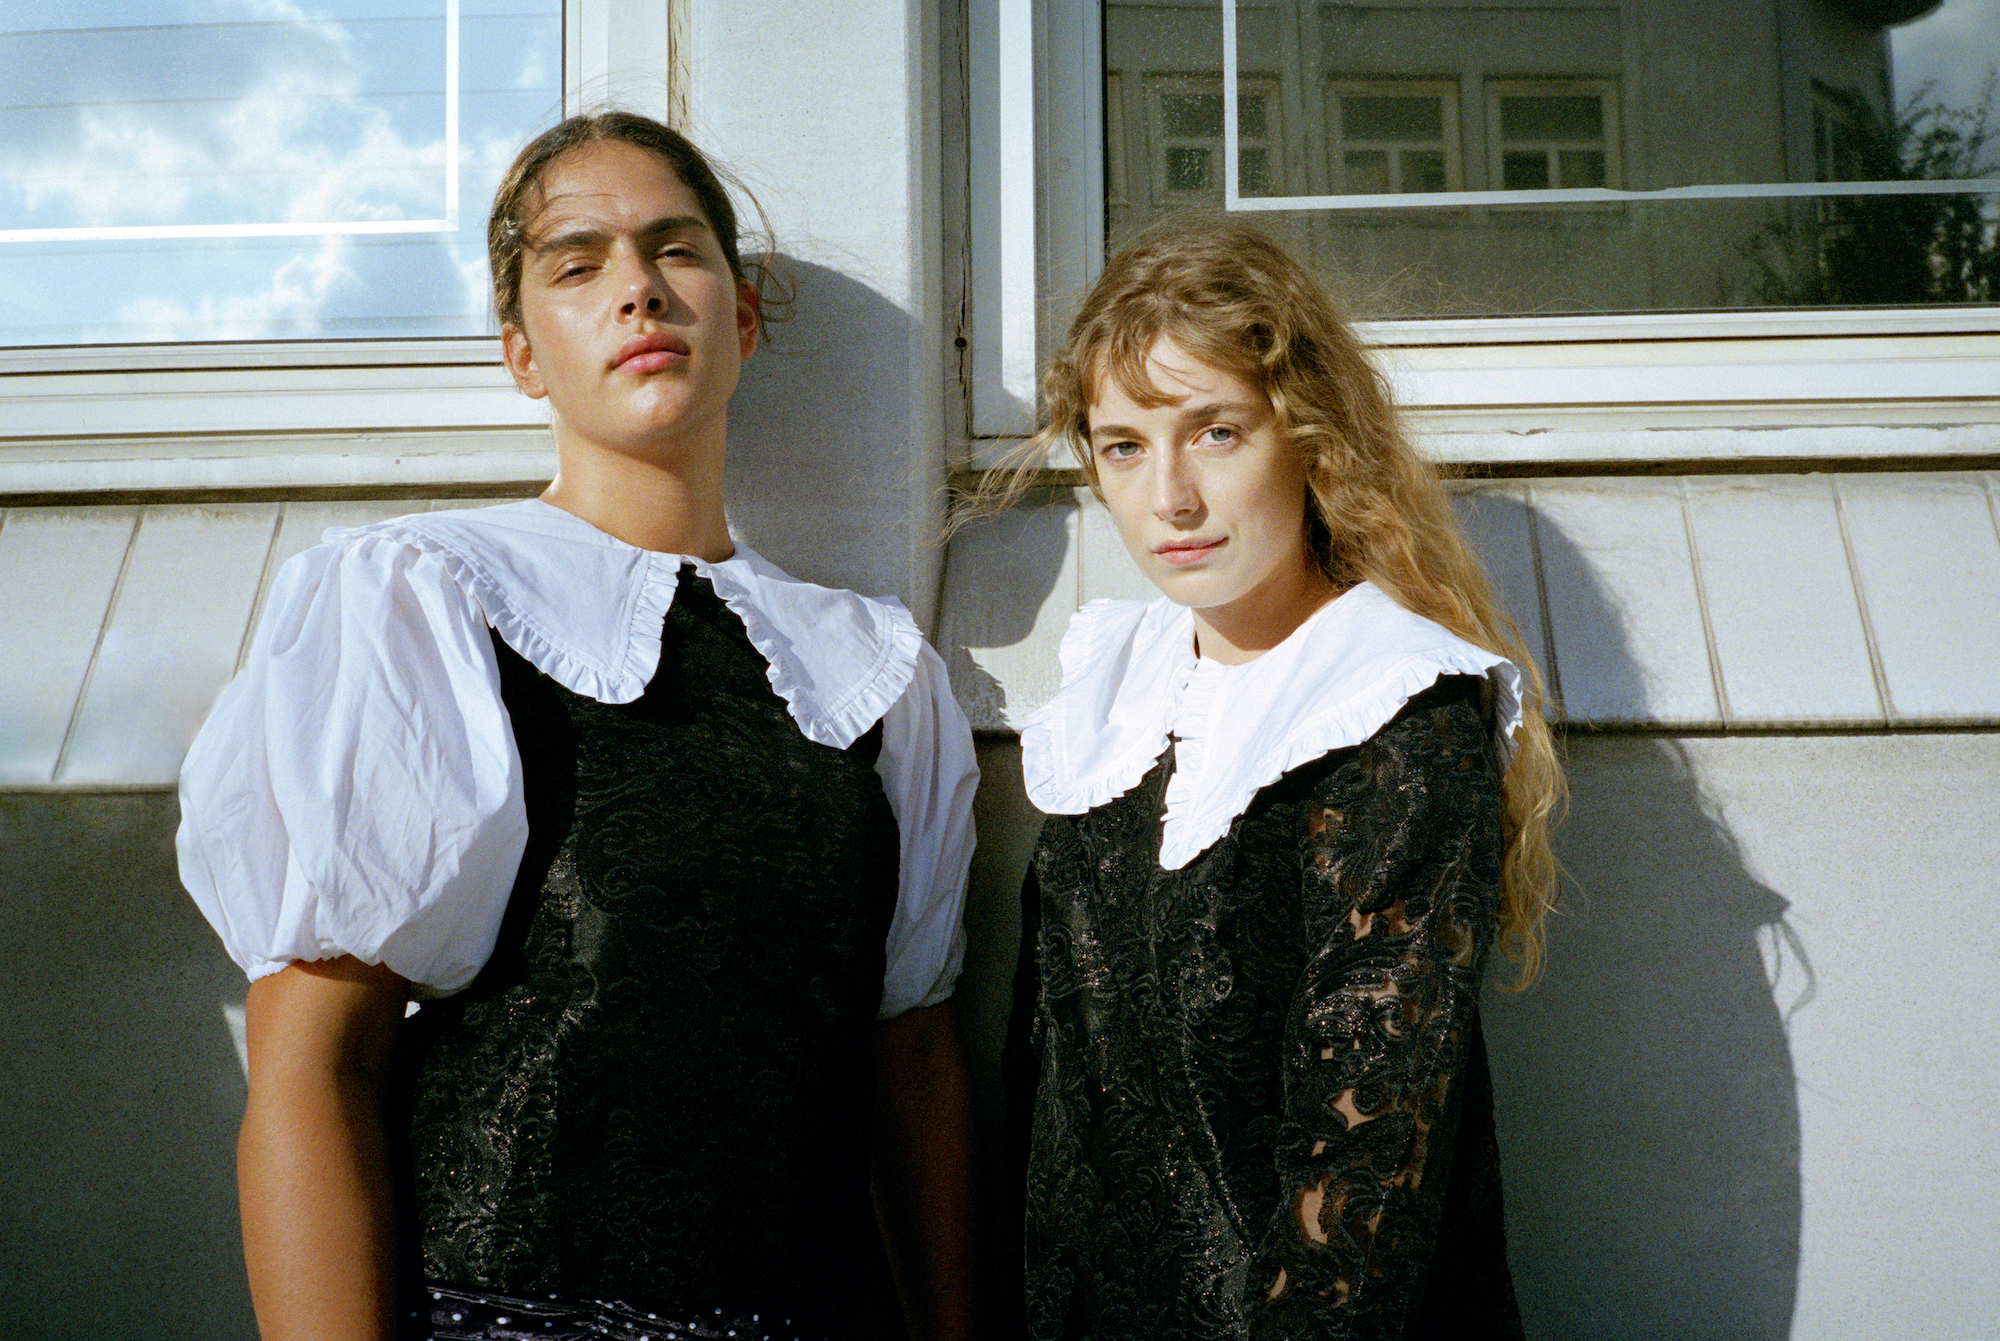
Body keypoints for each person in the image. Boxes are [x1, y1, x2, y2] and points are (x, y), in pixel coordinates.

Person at [178, 112, 981, 1341]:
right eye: (577, 264)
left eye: (676, 249)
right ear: (522, 355)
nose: (638, 289)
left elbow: (909, 1059)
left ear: (742, 317)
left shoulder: (871, 669)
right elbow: (316, 1065)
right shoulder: (428, 598)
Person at [990, 220, 1564, 1339]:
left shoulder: (1392, 709)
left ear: (1309, 437)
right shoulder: (1114, 693)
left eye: (1215, 432)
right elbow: (1052, 1094)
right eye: (1123, 446)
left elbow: (1365, 1176)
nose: (1170, 497)